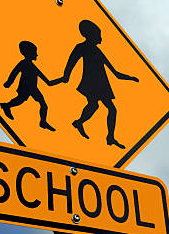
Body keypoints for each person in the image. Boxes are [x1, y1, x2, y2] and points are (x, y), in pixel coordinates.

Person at [56, 20, 138, 148]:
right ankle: (106, 136)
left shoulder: (98, 51)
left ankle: (82, 124)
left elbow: (115, 72)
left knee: (96, 106)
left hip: (102, 83)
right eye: (98, 35)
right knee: (104, 107)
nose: (101, 38)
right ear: (90, 35)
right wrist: (66, 76)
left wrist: (130, 78)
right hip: (91, 82)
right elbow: (71, 62)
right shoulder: (81, 47)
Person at [0, 40, 57, 131]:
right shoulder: (23, 63)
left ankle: (43, 122)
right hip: (25, 88)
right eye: (35, 52)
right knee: (20, 101)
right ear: (28, 53)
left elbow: (48, 82)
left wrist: (61, 79)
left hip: (33, 89)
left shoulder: (34, 67)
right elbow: (14, 72)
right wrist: (9, 82)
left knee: (43, 104)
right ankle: (6, 106)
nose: (37, 55)